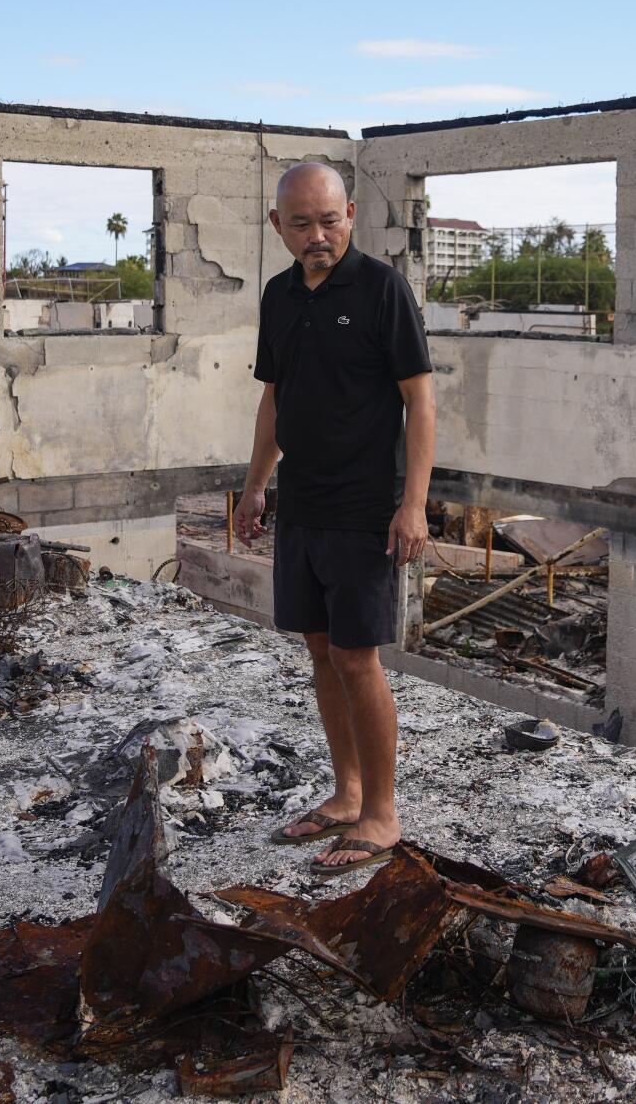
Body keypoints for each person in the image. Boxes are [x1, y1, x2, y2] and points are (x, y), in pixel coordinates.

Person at [235, 162, 434, 876]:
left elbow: (422, 402)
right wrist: (257, 484)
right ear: (277, 226)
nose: (317, 236)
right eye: (301, 224)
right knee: (320, 649)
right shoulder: (278, 296)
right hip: (304, 502)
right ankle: (347, 793)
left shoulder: (382, 289)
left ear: (350, 214)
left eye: (328, 220)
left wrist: (412, 503)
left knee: (356, 655)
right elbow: (275, 400)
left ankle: (382, 812)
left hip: (364, 507)